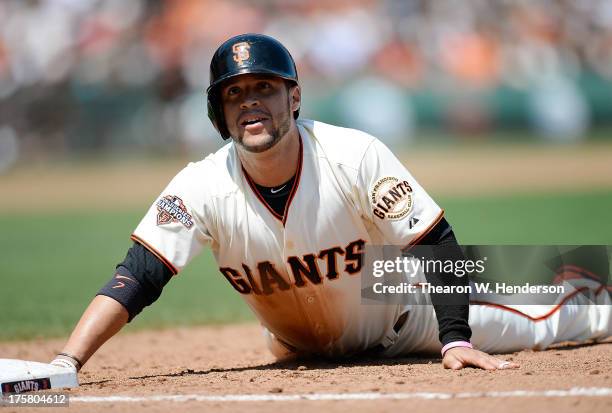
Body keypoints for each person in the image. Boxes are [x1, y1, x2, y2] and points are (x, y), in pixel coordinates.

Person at [50, 33, 610, 375]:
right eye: (235, 93)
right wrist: (66, 363)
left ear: (293, 97)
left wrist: (456, 337)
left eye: (265, 89)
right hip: (312, 336)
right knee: (534, 267)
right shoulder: (199, 187)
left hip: (402, 305)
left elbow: (435, 243)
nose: (251, 104)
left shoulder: (352, 153)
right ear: (219, 113)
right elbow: (136, 278)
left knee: (559, 309)